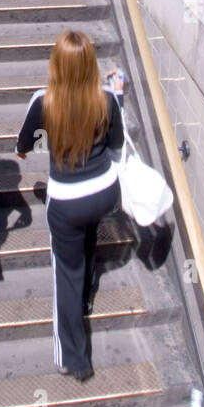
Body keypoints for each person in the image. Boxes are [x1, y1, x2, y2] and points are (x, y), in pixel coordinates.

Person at [16, 31, 123, 381]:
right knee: (90, 235)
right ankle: (87, 295)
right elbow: (116, 141)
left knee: (65, 272)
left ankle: (73, 359)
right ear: (91, 64)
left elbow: (24, 144)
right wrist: (117, 95)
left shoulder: (43, 101)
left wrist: (26, 150)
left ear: (56, 65)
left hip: (67, 201)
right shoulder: (105, 99)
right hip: (105, 191)